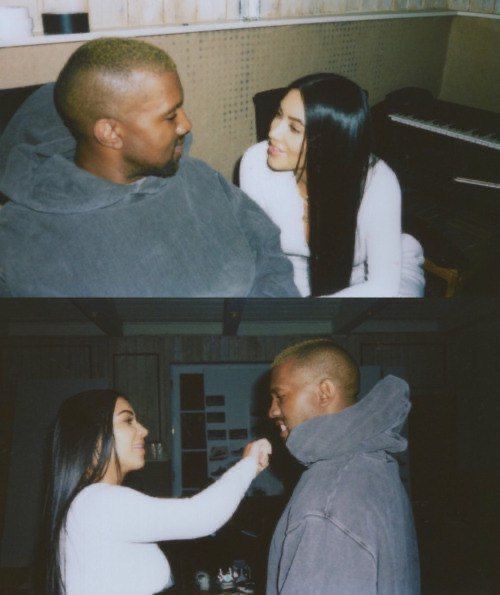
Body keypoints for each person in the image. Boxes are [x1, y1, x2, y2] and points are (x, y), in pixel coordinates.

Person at [0, 37, 298, 297]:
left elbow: (268, 249)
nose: (186, 124)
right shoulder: (21, 241)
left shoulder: (199, 175)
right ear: (111, 133)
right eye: (170, 116)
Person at [40, 389, 272, 595]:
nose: (143, 430)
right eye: (128, 421)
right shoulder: (97, 502)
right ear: (94, 437)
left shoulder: (92, 501)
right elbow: (201, 516)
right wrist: (249, 464)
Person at [240, 73, 425, 297]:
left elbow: (382, 286)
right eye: (278, 115)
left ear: (329, 142)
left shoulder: (378, 181)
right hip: (293, 275)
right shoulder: (255, 163)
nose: (272, 132)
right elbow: (260, 258)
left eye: (294, 128)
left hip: (367, 278)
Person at [266, 338, 420, 594]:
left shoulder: (327, 499)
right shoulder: (374, 461)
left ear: (324, 392)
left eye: (279, 396)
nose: (271, 411)